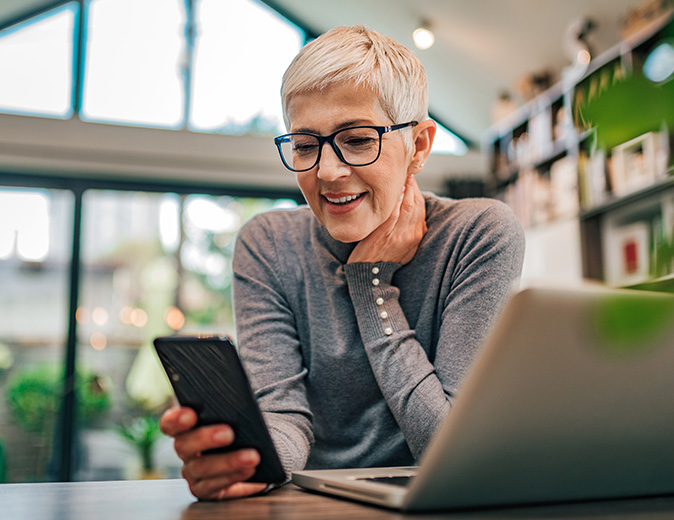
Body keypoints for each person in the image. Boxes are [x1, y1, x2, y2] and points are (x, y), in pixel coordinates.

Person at [160, 25, 525, 500]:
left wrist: (371, 284)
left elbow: (449, 448)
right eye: (306, 145)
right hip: (314, 507)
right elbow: (285, 419)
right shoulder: (269, 245)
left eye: (356, 139)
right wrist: (247, 458)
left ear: (418, 146)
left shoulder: (479, 235)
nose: (328, 172)